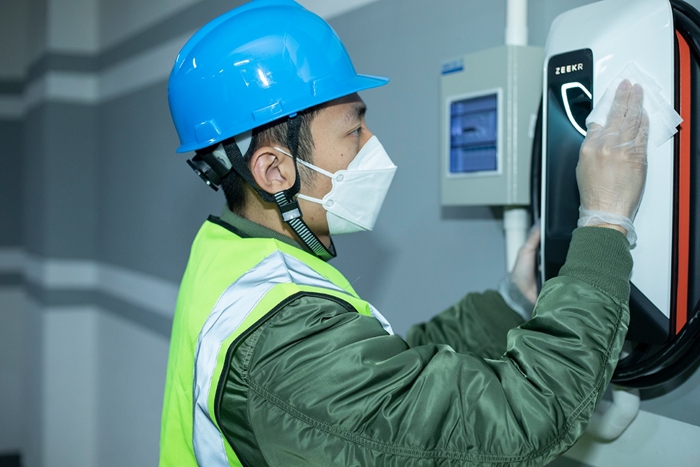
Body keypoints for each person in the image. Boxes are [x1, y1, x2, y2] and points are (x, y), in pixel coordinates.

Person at [159, 1, 649, 466]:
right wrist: (605, 223)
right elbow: (520, 420)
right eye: (354, 131)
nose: (374, 146)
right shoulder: (282, 341)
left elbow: (387, 385)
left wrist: (509, 304)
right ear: (274, 171)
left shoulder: (232, 255)